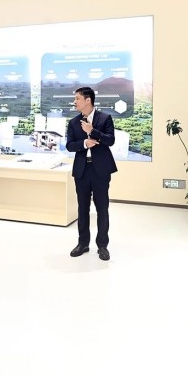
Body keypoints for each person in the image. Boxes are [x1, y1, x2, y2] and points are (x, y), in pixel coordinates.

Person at [65, 86, 117, 261]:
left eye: (77, 99)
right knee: (82, 208)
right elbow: (69, 145)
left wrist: (92, 132)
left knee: (102, 208)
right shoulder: (73, 122)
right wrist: (84, 143)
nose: (74, 102)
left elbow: (110, 140)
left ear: (88, 100)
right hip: (82, 170)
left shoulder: (105, 118)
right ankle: (83, 243)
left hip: (100, 170)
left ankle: (102, 246)